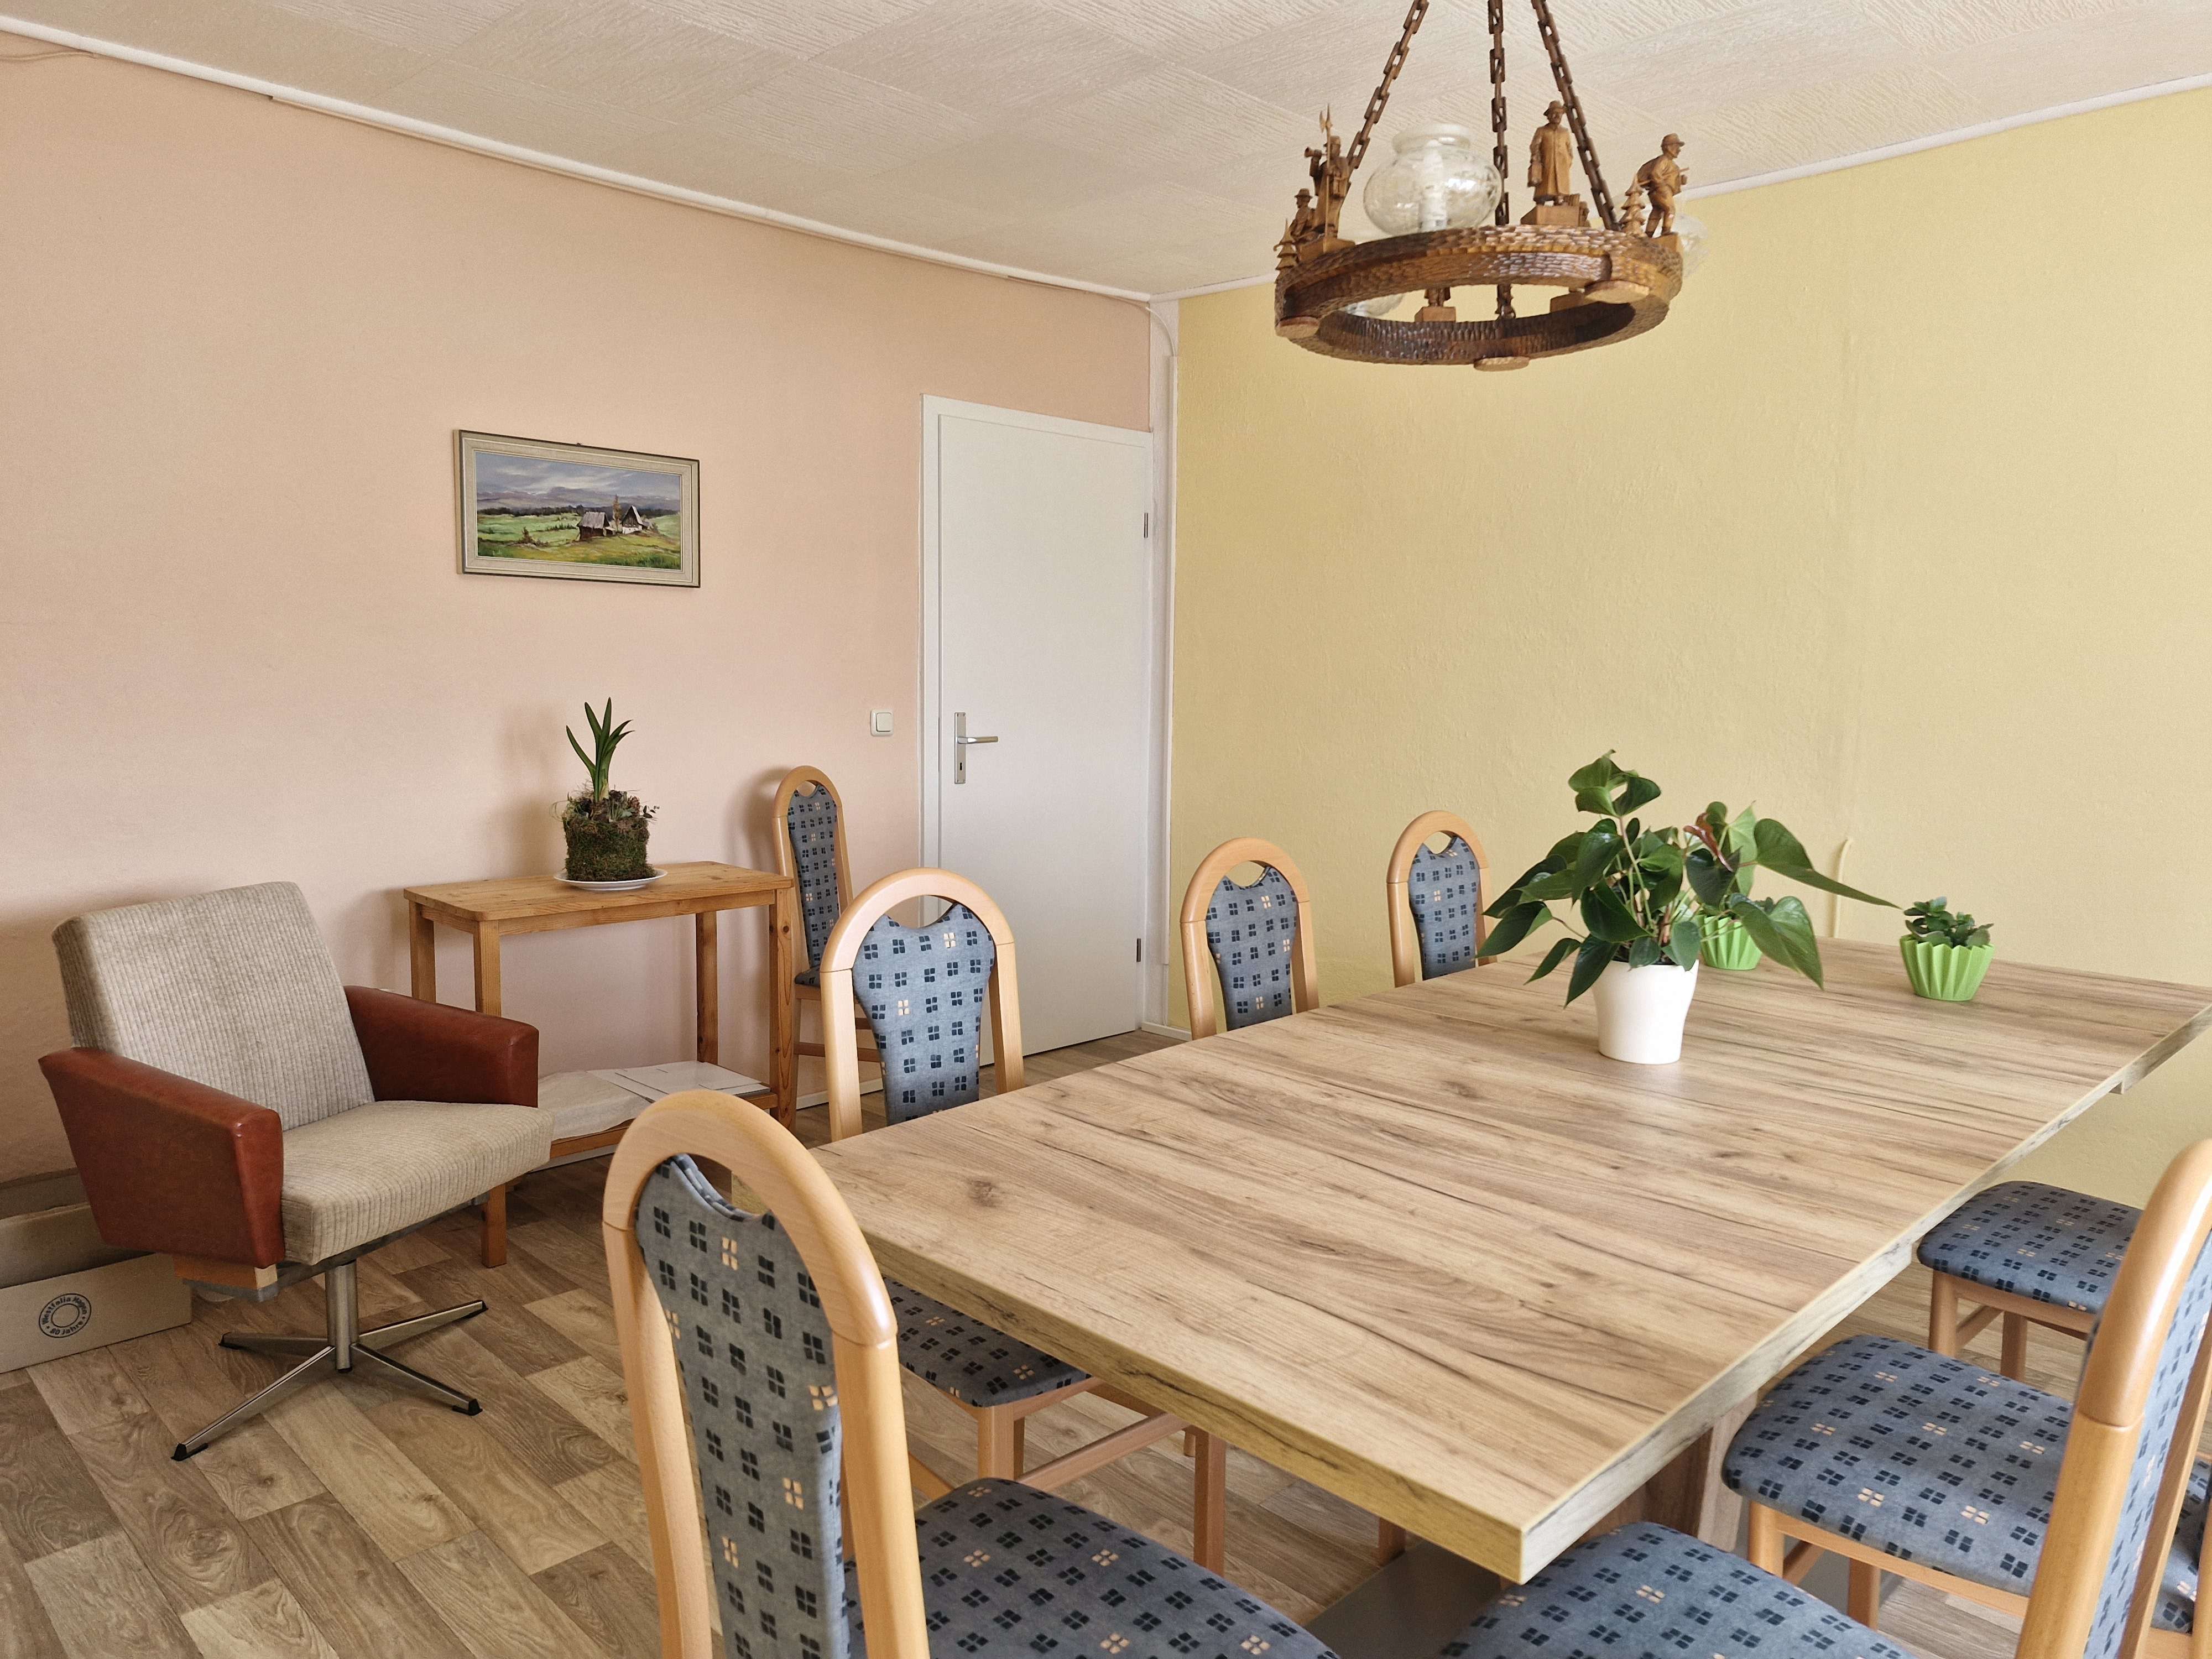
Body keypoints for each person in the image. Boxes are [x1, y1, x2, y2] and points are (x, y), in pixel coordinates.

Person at [1635, 134, 1688, 236]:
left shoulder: (1673, 165)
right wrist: (1662, 186)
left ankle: (1649, 234)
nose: (1679, 150)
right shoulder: (1664, 160)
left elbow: (1670, 179)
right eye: (1677, 146)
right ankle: (1666, 230)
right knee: (1670, 209)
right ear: (1669, 147)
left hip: (1657, 191)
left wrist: (1681, 180)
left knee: (1657, 212)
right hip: (1662, 190)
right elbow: (1655, 173)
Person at [1528, 101, 1574, 202]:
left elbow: (1569, 148)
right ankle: (1541, 201)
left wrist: (1568, 160)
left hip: (1562, 166)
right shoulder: (1542, 131)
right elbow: (1535, 146)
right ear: (1548, 116)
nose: (1557, 116)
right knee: (1545, 186)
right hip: (1547, 163)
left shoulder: (1565, 132)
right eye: (1554, 113)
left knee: (1561, 188)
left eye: (1560, 113)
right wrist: (1536, 158)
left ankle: (1559, 199)